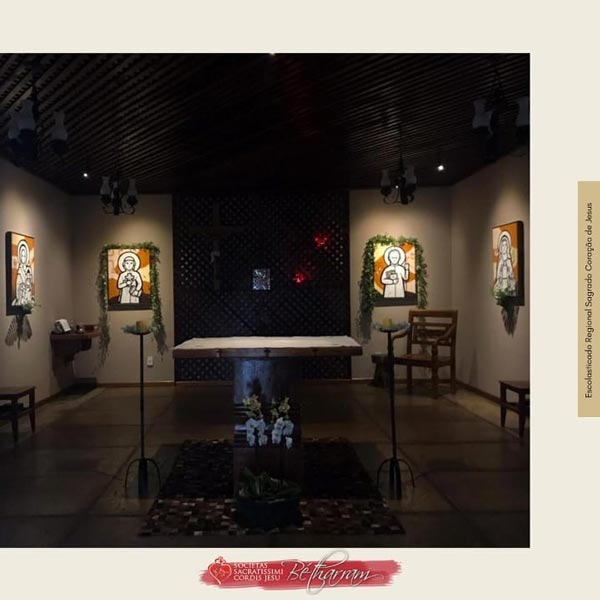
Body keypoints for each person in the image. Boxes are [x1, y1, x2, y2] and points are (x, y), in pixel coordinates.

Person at [13, 239, 33, 306]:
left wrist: (28, 284)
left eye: (24, 256)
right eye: (22, 256)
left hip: (27, 293)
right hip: (21, 295)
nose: (23, 258)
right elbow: (18, 284)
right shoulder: (19, 271)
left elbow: (30, 282)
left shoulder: (29, 269)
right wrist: (21, 286)